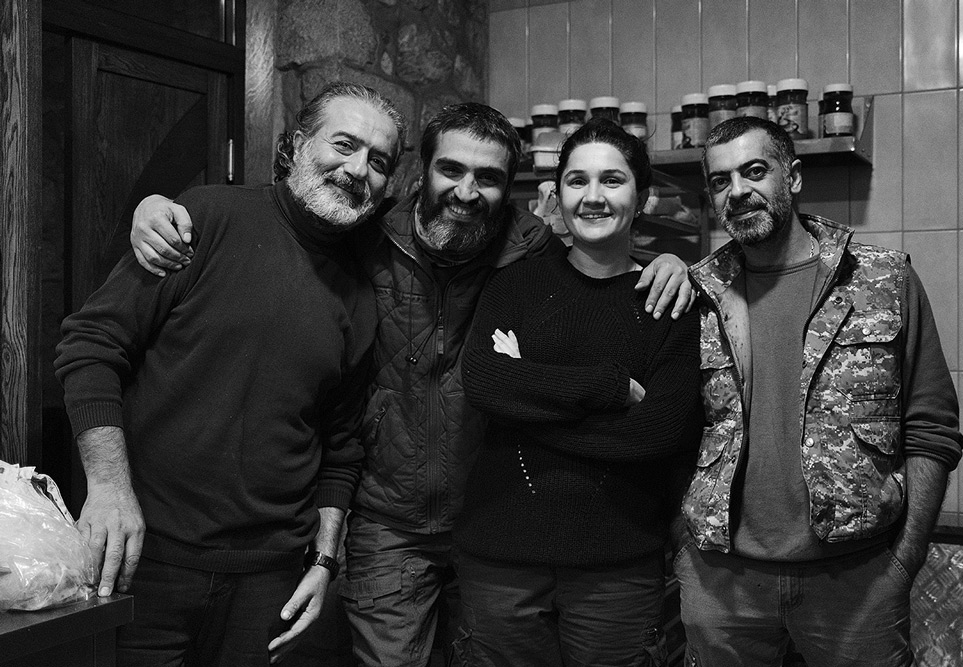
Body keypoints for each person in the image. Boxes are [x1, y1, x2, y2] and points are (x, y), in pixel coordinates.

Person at [129, 102, 695, 667]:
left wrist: (669, 261)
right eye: (451, 170)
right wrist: (156, 209)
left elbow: (600, 263)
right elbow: (292, 221)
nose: (466, 192)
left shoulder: (528, 249)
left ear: (509, 188)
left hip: (494, 516)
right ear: (421, 171)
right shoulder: (365, 234)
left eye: (488, 177)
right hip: (389, 518)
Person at [54, 81, 406, 666]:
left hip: (270, 579)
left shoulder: (360, 295)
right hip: (146, 558)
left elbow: (341, 447)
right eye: (344, 144)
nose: (357, 169)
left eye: (379, 161)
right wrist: (109, 489)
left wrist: (324, 559)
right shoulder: (208, 217)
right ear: (296, 145)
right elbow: (91, 346)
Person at [675, 115, 963, 666]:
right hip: (722, 585)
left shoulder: (882, 281)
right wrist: (684, 550)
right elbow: (671, 429)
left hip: (857, 583)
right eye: (720, 180)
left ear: (793, 177)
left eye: (754, 171)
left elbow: (932, 428)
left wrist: (903, 560)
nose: (738, 191)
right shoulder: (697, 296)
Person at [452, 119, 703, 666]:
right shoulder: (515, 285)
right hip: (500, 562)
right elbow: (485, 381)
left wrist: (527, 401)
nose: (593, 197)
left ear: (643, 196)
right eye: (576, 180)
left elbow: (659, 432)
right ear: (557, 193)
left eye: (612, 180)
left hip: (618, 569)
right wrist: (609, 388)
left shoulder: (669, 301)